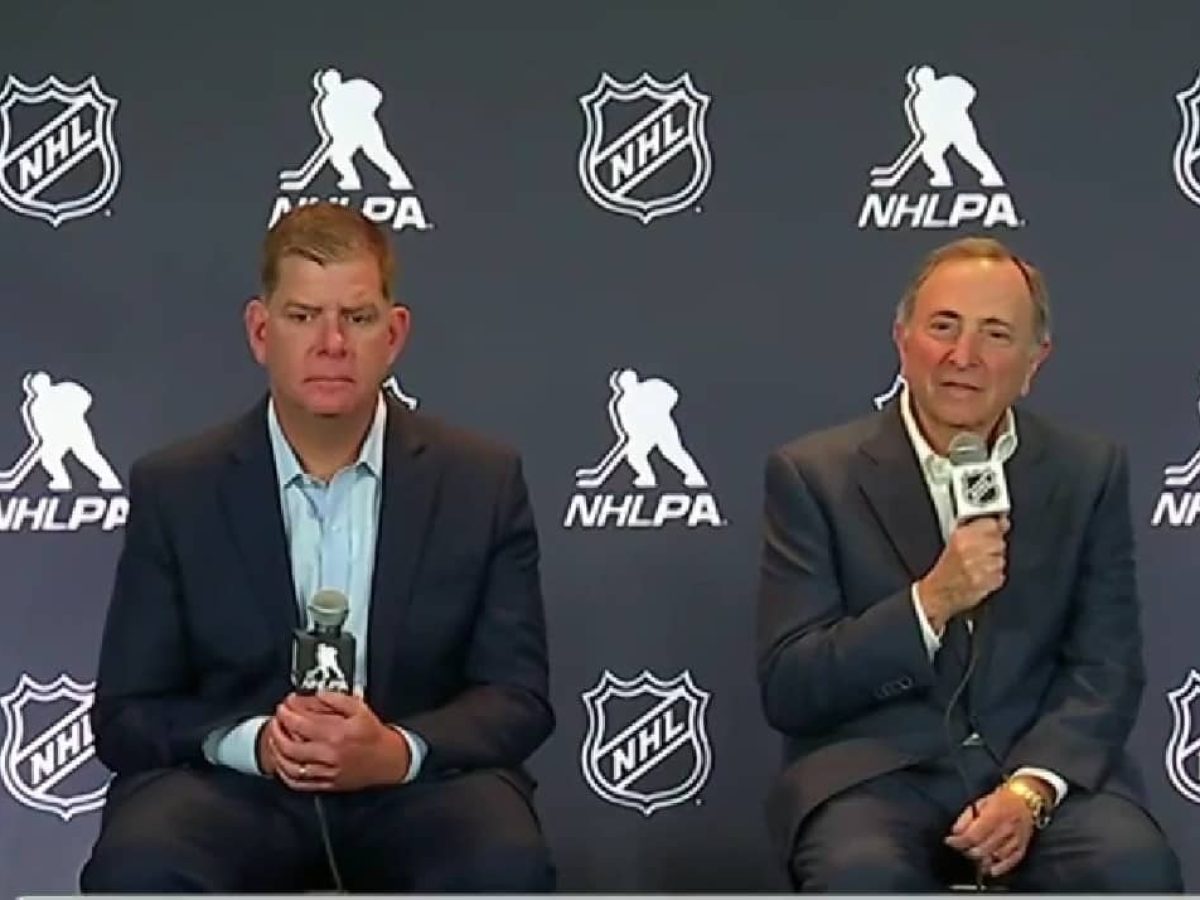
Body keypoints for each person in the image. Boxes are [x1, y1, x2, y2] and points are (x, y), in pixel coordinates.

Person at [81, 202, 555, 893]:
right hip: (229, 789)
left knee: (502, 864)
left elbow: (516, 697)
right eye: (303, 316)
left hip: (420, 788)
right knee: (141, 867)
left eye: (357, 317)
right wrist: (258, 744)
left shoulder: (481, 481)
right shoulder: (177, 487)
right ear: (260, 330)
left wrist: (394, 750)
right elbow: (128, 714)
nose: (331, 342)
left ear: (394, 334)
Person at [756, 236, 1182, 892]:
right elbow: (792, 684)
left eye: (996, 334)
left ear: (1035, 360)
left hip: (1038, 775)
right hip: (876, 779)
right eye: (943, 327)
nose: (964, 356)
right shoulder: (814, 475)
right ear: (902, 339)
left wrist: (1031, 791)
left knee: (1129, 864)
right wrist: (929, 603)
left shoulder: (1088, 471)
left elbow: (1107, 666)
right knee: (859, 873)